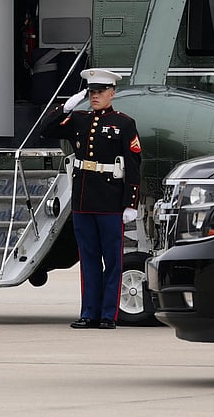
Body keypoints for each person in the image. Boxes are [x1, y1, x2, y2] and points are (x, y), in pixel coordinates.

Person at [40, 68, 141, 329]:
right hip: (84, 200)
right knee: (89, 260)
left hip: (110, 200)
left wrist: (131, 203)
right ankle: (89, 313)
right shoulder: (80, 119)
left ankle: (108, 315)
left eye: (100, 92)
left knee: (113, 260)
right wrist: (66, 107)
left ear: (112, 93)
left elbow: (133, 164)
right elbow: (46, 129)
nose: (95, 97)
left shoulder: (124, 123)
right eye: (92, 92)